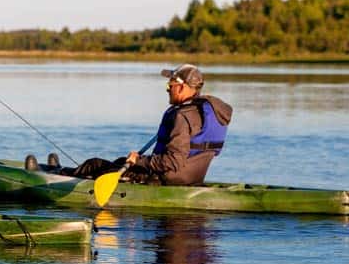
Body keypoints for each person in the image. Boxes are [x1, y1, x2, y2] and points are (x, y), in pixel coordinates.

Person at [68, 63, 233, 186]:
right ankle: (61, 172)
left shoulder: (182, 117)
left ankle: (57, 178)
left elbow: (172, 162)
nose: (167, 89)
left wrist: (139, 161)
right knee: (119, 161)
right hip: (192, 178)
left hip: (162, 179)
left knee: (94, 164)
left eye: (170, 85)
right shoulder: (204, 112)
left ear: (182, 87)